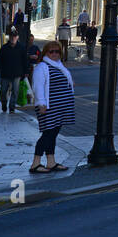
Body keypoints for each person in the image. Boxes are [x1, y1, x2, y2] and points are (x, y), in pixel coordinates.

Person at [29, 42, 75, 174]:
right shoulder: (42, 67)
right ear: (45, 53)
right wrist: (41, 104)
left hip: (60, 107)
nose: (54, 54)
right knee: (47, 134)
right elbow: (37, 87)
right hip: (48, 107)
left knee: (53, 134)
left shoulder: (59, 66)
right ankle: (35, 163)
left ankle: (51, 161)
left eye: (57, 51)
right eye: (51, 51)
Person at [0, 27, 25, 113]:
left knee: (15, 91)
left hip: (17, 74)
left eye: (15, 36)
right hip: (5, 73)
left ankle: (12, 107)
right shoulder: (4, 48)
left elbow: (25, 61)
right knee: (3, 91)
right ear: (9, 37)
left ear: (17, 37)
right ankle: (4, 104)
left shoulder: (21, 48)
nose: (13, 38)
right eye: (12, 36)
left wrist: (25, 72)